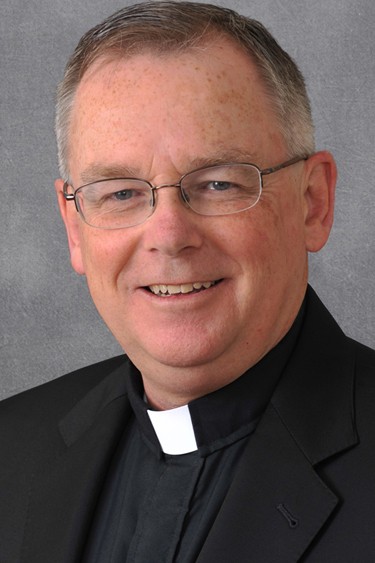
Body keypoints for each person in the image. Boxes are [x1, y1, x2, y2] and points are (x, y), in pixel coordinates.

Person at [1, 1, 374, 561]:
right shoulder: (11, 447)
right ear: (74, 229)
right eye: (121, 192)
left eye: (219, 183)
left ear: (312, 203)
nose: (170, 236)